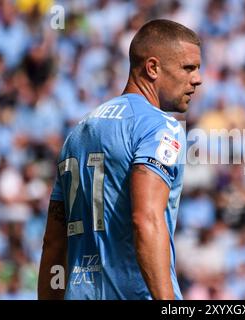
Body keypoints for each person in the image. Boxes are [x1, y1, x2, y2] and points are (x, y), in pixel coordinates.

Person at [38, 19, 202, 300]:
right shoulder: (160, 127)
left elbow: (54, 242)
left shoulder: (79, 132)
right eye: (188, 68)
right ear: (153, 68)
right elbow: (146, 219)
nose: (197, 79)